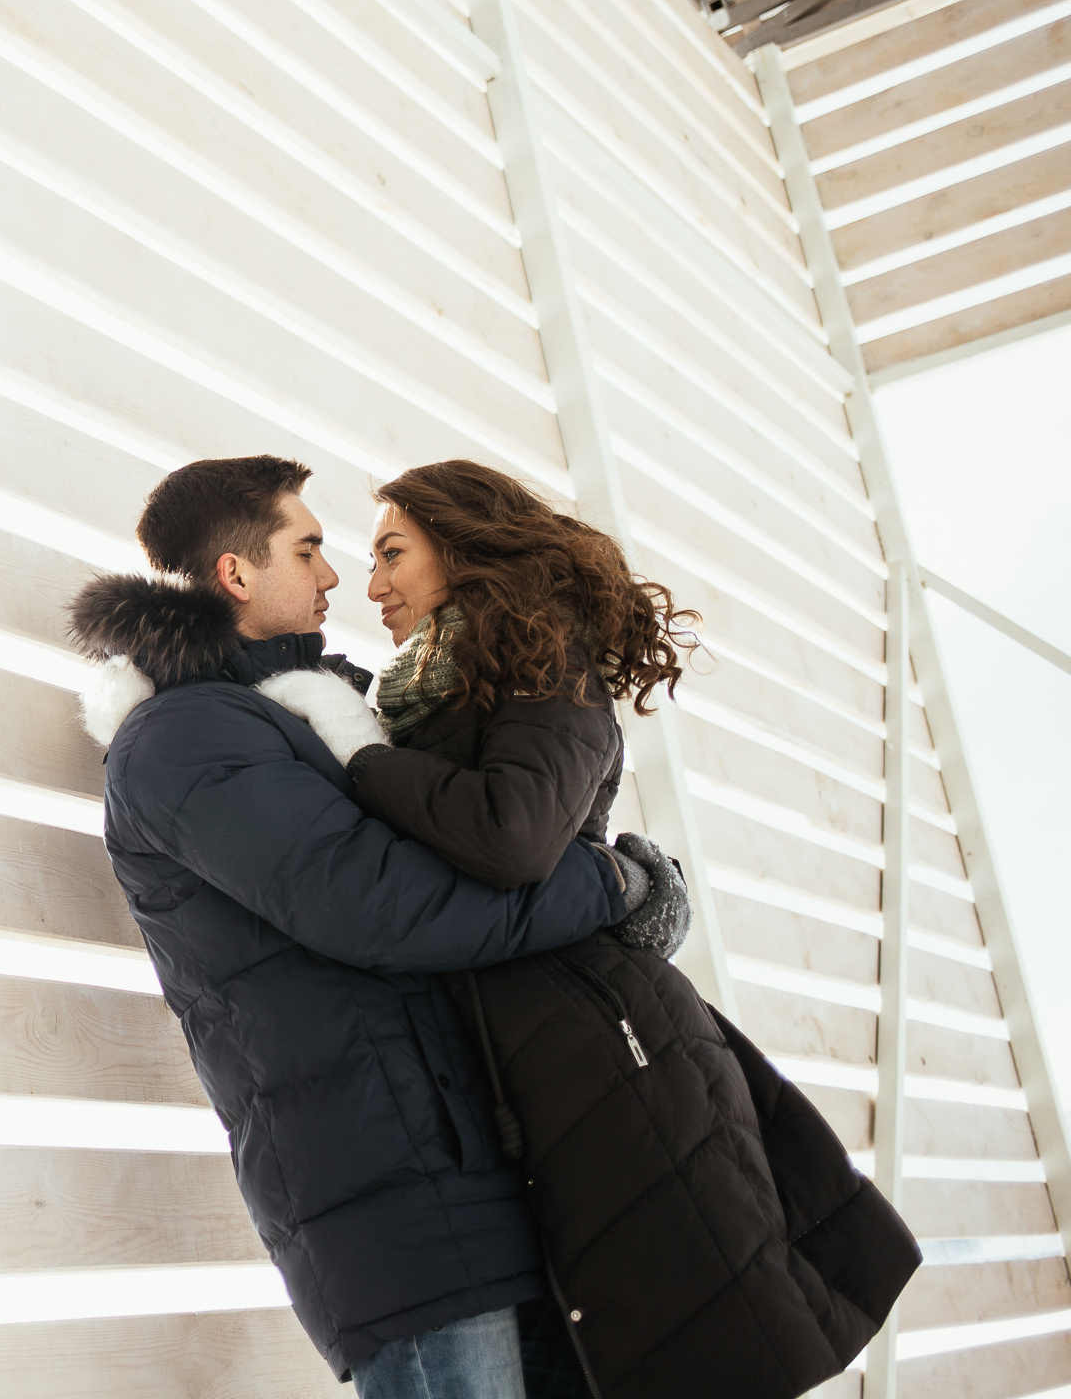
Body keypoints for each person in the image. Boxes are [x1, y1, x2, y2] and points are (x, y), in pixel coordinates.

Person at [261, 460, 919, 1399]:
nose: (372, 587)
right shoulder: (441, 690)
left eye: (394, 554)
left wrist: (359, 749)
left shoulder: (548, 666)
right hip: (548, 1057)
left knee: (680, 1342)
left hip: (612, 1057)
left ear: (469, 546)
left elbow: (513, 834)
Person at [69, 455, 681, 1398]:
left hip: (479, 1175)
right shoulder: (185, 742)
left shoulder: (314, 713)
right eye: (306, 549)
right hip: (397, 1206)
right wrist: (610, 888)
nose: (332, 578)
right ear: (236, 573)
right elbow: (389, 907)